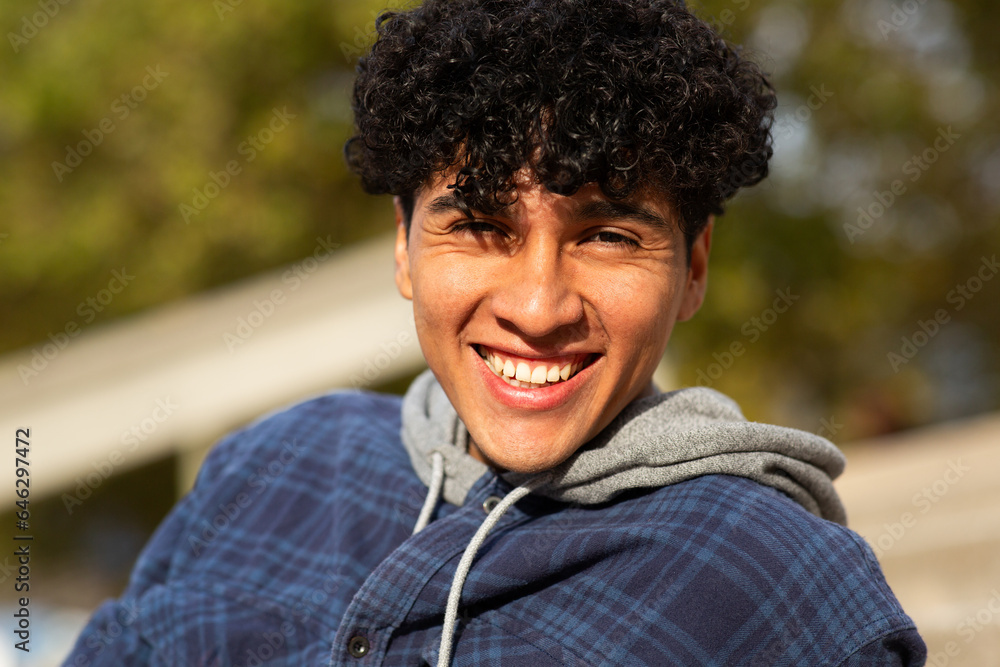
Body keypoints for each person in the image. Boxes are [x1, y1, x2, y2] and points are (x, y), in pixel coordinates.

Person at [64, 0, 927, 665]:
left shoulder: (773, 582)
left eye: (608, 235)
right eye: (480, 226)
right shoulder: (275, 463)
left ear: (693, 268)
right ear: (404, 249)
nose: (540, 306)